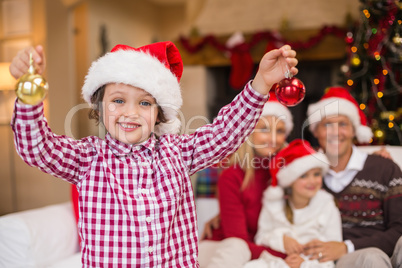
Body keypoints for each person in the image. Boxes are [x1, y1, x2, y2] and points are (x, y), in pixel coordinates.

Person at [9, 42, 298, 267]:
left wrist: (261, 83)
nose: (130, 113)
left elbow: (225, 133)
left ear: (159, 113)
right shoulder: (88, 159)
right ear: (99, 107)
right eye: (118, 100)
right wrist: (28, 94)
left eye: (145, 103)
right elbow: (37, 148)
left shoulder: (178, 152)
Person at [303, 86, 402, 268]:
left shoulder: (384, 168)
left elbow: (399, 227)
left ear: (354, 130)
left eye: (342, 124)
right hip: (346, 260)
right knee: (371, 258)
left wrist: (347, 247)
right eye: (327, 125)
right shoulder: (306, 174)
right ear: (316, 131)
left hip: (388, 251)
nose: (335, 132)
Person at [198, 91, 294, 267]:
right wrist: (285, 254)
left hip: (261, 251)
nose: (273, 138)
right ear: (249, 132)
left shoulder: (286, 173)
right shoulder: (232, 175)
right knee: (237, 247)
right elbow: (238, 240)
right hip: (224, 250)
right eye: (264, 129)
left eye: (279, 131)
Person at [244, 139, 342, 268]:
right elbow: (261, 237)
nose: (312, 181)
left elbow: (333, 247)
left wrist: (305, 264)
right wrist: (281, 240)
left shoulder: (326, 205)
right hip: (278, 262)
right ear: (290, 180)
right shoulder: (273, 204)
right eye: (304, 176)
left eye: (316, 174)